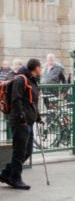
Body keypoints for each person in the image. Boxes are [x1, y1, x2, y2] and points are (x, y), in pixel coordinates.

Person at [0, 59, 42, 190]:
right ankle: (15, 178)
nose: (41, 70)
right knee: (19, 151)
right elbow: (16, 99)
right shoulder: (21, 79)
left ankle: (6, 173)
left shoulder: (33, 81)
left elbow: (32, 102)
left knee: (27, 151)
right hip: (20, 121)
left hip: (28, 120)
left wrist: (38, 117)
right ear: (35, 68)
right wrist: (22, 117)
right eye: (40, 67)